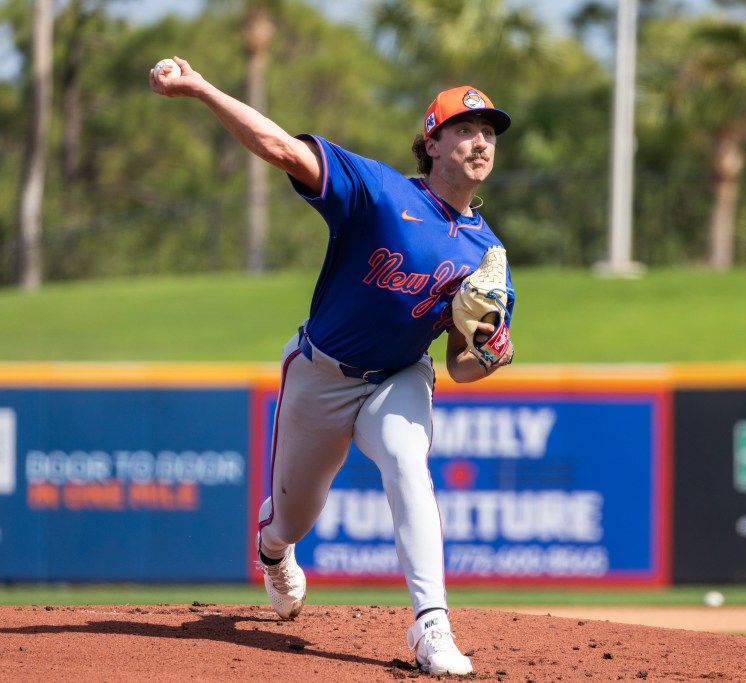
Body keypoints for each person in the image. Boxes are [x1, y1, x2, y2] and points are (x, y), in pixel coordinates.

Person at [150, 57, 515, 677]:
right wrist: (201, 87)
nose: (479, 140)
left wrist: (489, 351)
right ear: (431, 141)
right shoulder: (378, 190)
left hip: (399, 377)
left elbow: (462, 366)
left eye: (488, 132)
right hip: (320, 374)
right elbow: (277, 145)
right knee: (294, 515)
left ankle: (432, 627)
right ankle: (272, 551)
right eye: (464, 128)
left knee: (407, 462)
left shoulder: (488, 255)